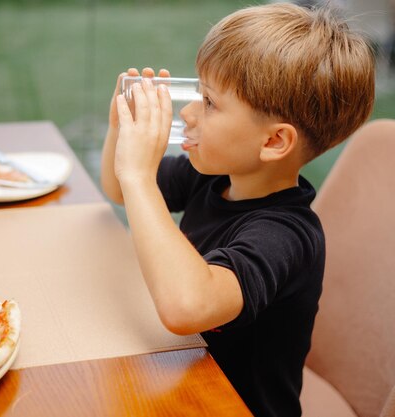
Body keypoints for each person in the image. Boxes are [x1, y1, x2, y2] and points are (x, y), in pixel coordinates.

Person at [100, 3, 375, 416]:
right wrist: (121, 133)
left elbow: (187, 308)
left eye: (209, 102)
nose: (188, 114)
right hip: (186, 377)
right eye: (198, 93)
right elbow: (119, 191)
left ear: (273, 142)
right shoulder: (214, 175)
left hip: (233, 404)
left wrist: (140, 176)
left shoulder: (287, 236)